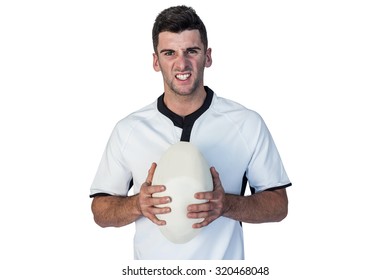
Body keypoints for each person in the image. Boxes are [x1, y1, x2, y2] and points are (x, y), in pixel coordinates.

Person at [90, 5, 291, 260]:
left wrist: (226, 204)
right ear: (155, 61)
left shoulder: (246, 123)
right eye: (169, 53)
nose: (181, 63)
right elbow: (100, 210)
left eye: (191, 51)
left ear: (207, 56)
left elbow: (279, 206)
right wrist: (136, 204)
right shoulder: (129, 129)